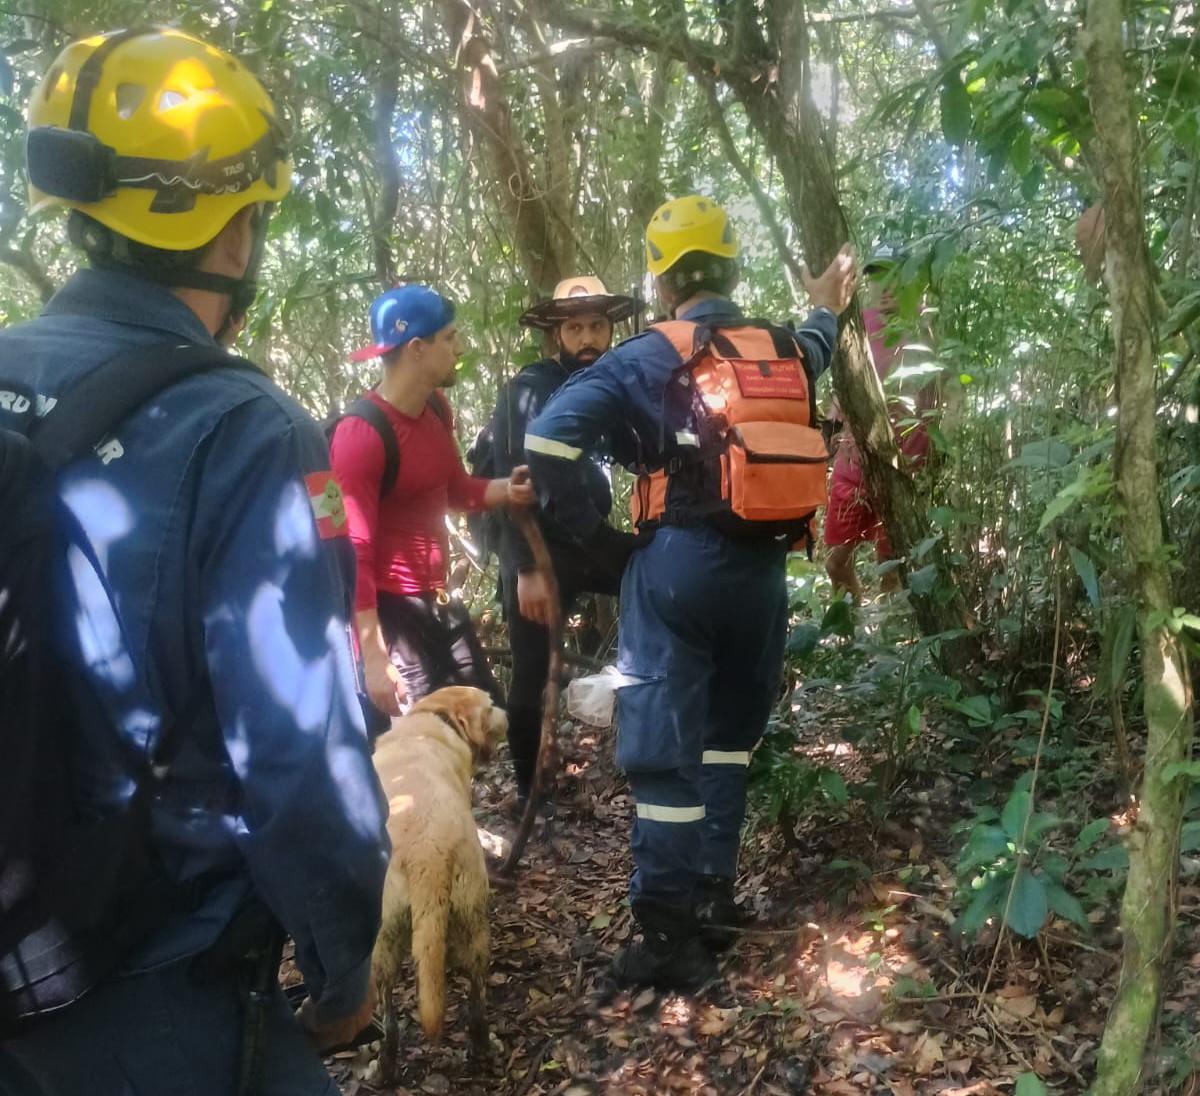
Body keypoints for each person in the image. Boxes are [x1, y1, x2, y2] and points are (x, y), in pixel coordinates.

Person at [0, 28, 389, 1095]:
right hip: (161, 979)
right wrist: (343, 958)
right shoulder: (248, 432)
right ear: (235, 234)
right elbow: (301, 751)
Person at [524, 195, 857, 993]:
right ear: (732, 265)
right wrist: (826, 301)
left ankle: (668, 939)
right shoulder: (779, 346)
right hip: (763, 573)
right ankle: (714, 899)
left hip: (674, 567)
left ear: (663, 276)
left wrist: (603, 547)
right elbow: (820, 335)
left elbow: (547, 439)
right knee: (726, 745)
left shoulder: (645, 355)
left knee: (663, 761)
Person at [330, 285, 535, 721]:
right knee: (425, 741)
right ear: (417, 349)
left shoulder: (437, 409)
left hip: (438, 599)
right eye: (450, 337)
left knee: (484, 716)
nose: (459, 347)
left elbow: (454, 489)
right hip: (393, 613)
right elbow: (355, 555)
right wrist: (373, 657)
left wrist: (508, 488)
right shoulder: (361, 436)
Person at [488, 276, 640, 806]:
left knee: (653, 578)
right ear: (556, 334)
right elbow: (507, 477)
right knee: (530, 673)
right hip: (537, 549)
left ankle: (646, 738)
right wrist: (524, 568)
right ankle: (531, 790)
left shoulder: (615, 384)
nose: (587, 337)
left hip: (588, 539)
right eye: (575, 327)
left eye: (597, 325)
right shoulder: (527, 390)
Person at [823, 249, 937, 602]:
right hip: (855, 460)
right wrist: (826, 436)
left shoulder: (922, 325)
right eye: (878, 278)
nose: (885, 286)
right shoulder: (858, 323)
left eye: (894, 277)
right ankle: (856, 626)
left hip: (903, 465)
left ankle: (888, 643)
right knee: (836, 562)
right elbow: (845, 385)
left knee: (890, 565)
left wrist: (936, 450)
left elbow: (940, 390)